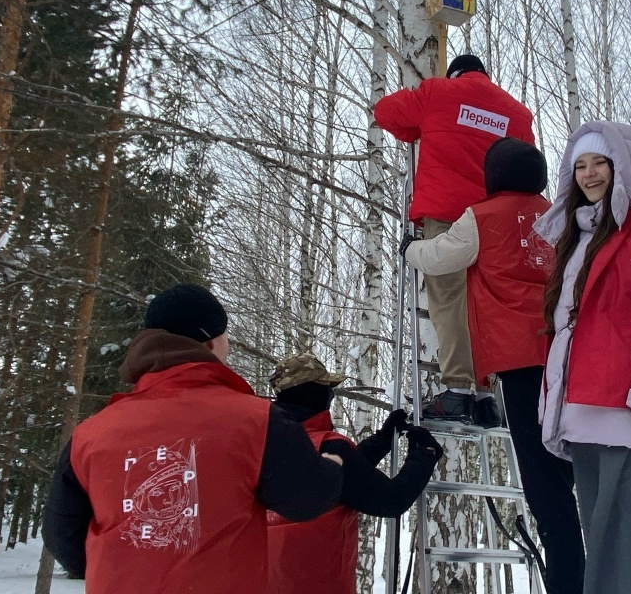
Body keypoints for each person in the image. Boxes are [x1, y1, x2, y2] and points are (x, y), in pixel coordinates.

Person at [42, 284, 345, 593]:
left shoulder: (91, 434)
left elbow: (62, 536)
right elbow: (307, 500)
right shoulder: (257, 421)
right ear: (212, 343)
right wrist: (331, 466)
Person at [399, 137, 585, 594]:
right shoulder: (559, 213)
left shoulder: (481, 217)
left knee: (544, 487)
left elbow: (441, 257)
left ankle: (569, 584)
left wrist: (409, 249)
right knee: (565, 472)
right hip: (568, 353)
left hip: (519, 361)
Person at [533, 122, 631, 594]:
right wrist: (554, 406)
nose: (589, 174)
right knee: (607, 550)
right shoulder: (578, 239)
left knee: (625, 551)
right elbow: (568, 331)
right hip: (585, 414)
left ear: (624, 167)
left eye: (600, 162)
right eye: (579, 165)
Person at [374, 54, 535, 421]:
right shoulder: (517, 114)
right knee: (485, 306)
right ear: (484, 75)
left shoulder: (438, 93)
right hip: (496, 219)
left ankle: (458, 390)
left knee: (448, 299)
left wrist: (419, 129)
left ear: (455, 74)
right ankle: (484, 395)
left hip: (447, 213)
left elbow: (386, 112)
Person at [265, 354, 442, 594]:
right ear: (312, 392)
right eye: (326, 387)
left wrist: (382, 440)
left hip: (267, 579)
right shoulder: (329, 446)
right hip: (321, 583)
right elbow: (390, 500)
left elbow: (340, 479)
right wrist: (424, 454)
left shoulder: (266, 441)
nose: (330, 394)